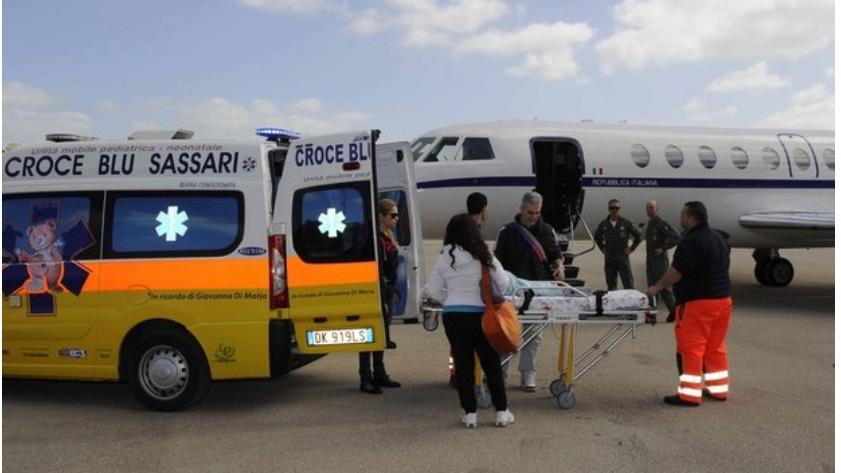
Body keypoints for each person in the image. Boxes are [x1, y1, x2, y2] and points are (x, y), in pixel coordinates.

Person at [423, 214, 515, 427]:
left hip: (454, 316)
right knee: (491, 364)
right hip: (482, 315)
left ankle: (470, 414)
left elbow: (433, 290)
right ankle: (502, 411)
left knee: (463, 366)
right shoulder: (484, 253)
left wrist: (450, 301)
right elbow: (504, 284)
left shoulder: (444, 255)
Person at [646, 201, 732, 407]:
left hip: (697, 304)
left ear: (692, 218)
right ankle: (718, 390)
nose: (680, 219)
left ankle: (690, 395)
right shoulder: (718, 238)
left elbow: (676, 272)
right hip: (723, 302)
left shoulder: (691, 241)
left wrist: (656, 288)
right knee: (715, 347)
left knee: (690, 349)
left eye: (683, 215)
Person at [494, 191, 564, 392]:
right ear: (522, 209)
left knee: (534, 336)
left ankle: (528, 373)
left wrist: (559, 266)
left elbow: (555, 255)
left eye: (537, 213)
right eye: (530, 212)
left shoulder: (547, 230)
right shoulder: (506, 232)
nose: (534, 217)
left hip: (539, 291)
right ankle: (501, 373)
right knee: (507, 335)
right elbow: (497, 261)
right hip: (512, 292)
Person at [358, 198, 402, 394]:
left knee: (382, 334)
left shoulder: (388, 237)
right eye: (393, 215)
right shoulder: (375, 239)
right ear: (381, 217)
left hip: (387, 290)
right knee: (369, 334)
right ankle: (365, 377)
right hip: (375, 290)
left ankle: (379, 373)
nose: (396, 219)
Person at [643, 200, 681, 322]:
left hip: (659, 261)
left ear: (657, 209)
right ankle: (652, 314)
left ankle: (675, 312)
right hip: (650, 260)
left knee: (664, 287)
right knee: (652, 287)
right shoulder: (650, 223)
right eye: (648, 208)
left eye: (652, 208)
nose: (649, 210)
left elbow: (676, 237)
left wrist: (663, 248)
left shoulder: (661, 223)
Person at [594, 198, 642, 290]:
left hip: (622, 257)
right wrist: (602, 248)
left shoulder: (626, 223)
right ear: (609, 209)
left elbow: (639, 236)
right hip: (610, 258)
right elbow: (597, 237)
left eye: (617, 208)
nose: (614, 210)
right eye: (612, 208)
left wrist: (631, 248)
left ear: (620, 209)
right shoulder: (603, 224)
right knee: (611, 285)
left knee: (628, 284)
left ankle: (630, 302)